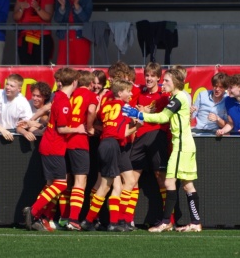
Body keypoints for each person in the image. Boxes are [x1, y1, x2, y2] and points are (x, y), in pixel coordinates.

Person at [123, 69, 203, 232]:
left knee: (170, 182)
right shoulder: (176, 97)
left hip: (182, 146)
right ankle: (195, 222)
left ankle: (167, 221)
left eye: (166, 81)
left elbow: (162, 117)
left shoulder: (178, 98)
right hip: (183, 144)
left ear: (176, 82)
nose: (163, 83)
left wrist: (139, 114)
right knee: (187, 185)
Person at [23, 68, 86, 232]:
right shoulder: (63, 100)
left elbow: (51, 117)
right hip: (54, 146)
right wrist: (78, 129)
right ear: (74, 82)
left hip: (50, 144)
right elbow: (62, 128)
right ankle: (34, 210)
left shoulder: (58, 96)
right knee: (60, 184)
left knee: (51, 184)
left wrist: (39, 123)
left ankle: (40, 217)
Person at [80, 80, 139, 232]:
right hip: (112, 145)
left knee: (124, 183)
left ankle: (118, 221)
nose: (131, 93)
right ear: (120, 93)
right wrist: (137, 126)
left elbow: (99, 116)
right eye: (128, 91)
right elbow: (124, 132)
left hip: (108, 145)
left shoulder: (106, 105)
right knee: (106, 186)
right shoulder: (125, 107)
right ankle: (90, 220)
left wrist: (93, 127)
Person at [128, 62, 170, 228]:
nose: (149, 78)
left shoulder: (163, 96)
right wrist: (136, 116)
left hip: (157, 138)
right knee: (131, 179)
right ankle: (127, 218)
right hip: (139, 139)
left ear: (159, 78)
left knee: (161, 179)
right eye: (147, 75)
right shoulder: (139, 92)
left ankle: (168, 220)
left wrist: (147, 112)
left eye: (152, 76)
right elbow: (130, 112)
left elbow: (165, 116)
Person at [62, 70, 97, 230]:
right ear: (90, 84)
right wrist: (89, 127)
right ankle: (73, 219)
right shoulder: (90, 95)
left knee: (67, 181)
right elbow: (90, 111)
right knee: (80, 181)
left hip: (67, 139)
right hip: (79, 141)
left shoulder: (72, 95)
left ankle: (64, 218)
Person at [13, 0, 54, 65]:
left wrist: (37, 8)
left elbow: (48, 17)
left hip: (42, 36)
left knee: (42, 66)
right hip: (25, 36)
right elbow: (15, 17)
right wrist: (21, 9)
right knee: (26, 67)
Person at [54, 0, 93, 65]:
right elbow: (57, 19)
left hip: (81, 36)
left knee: (80, 66)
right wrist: (62, 6)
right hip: (64, 36)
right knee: (63, 66)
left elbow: (85, 19)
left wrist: (76, 5)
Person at [0, 74, 33, 141]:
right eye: (7, 84)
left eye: (12, 86)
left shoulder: (23, 102)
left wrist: (25, 132)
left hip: (14, 134)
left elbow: (26, 123)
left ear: (19, 89)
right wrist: (2, 130)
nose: (8, 87)